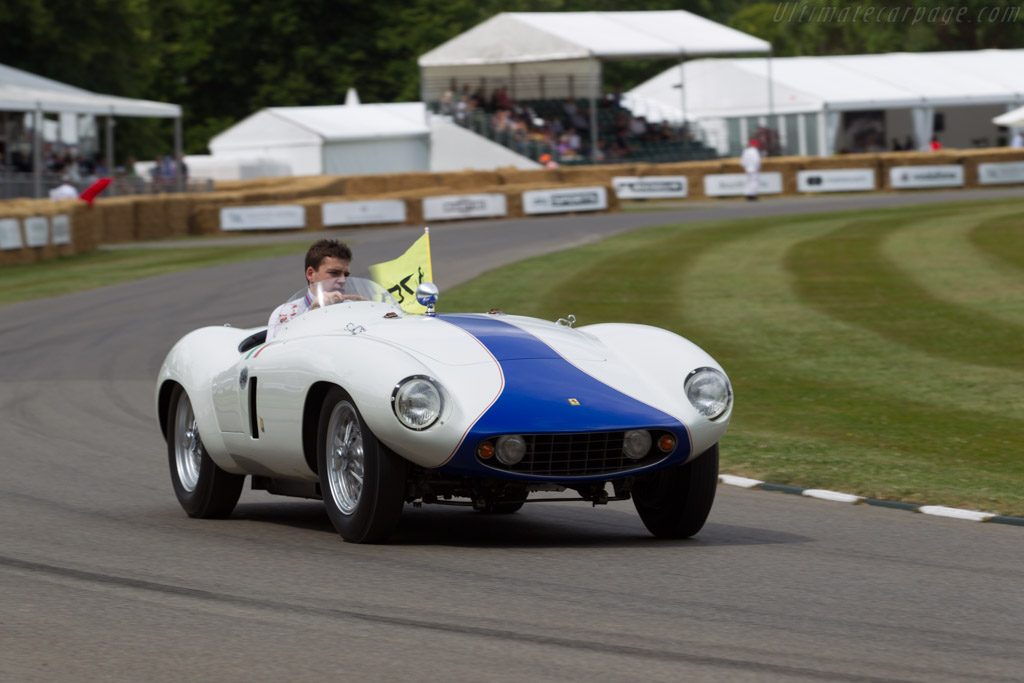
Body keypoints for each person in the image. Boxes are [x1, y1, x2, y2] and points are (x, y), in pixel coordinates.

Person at [267, 239, 360, 340]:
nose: (342, 280)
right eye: (334, 273)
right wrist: (313, 311)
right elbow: (275, 351)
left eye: (346, 275)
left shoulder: (353, 307)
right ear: (311, 274)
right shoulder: (286, 313)